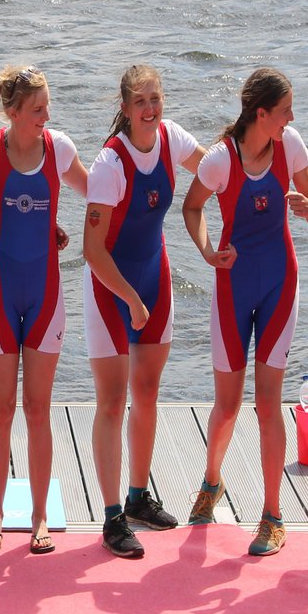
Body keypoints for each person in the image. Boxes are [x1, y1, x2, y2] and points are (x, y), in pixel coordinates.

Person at [181, 67, 308, 557]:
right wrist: (205, 251)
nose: (292, 118)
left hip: (281, 283)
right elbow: (192, 208)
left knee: (268, 402)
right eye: (285, 111)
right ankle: (212, 481)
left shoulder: (291, 146)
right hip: (233, 287)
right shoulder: (221, 160)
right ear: (261, 114)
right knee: (227, 405)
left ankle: (272, 514)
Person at [82, 65, 205, 559]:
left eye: (156, 99)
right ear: (126, 108)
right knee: (112, 403)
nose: (150, 110)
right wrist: (131, 299)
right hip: (112, 290)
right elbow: (93, 250)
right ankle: (112, 516)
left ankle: (137, 498)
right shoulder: (110, 165)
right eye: (140, 103)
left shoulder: (172, 138)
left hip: (156, 280)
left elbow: (218, 168)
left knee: (148, 392)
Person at [0, 66, 89, 556]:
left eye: (48, 108)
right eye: (37, 109)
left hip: (46, 296)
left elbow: (99, 191)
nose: (47, 116)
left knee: (38, 410)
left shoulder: (58, 148)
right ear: (13, 112)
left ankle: (39, 515)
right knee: (1, 411)